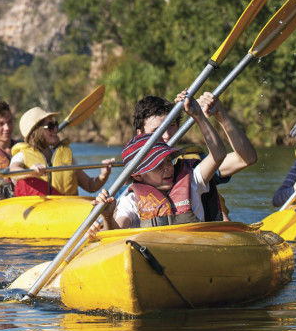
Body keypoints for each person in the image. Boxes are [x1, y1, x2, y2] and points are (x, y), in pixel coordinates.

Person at [96, 93, 227, 229]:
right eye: (158, 165)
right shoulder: (131, 200)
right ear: (138, 175)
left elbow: (218, 155)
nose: (168, 168)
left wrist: (198, 116)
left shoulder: (193, 179)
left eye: (169, 160)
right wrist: (107, 217)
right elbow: (117, 231)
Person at [133, 91, 256, 221]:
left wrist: (220, 114)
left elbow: (245, 159)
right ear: (140, 134)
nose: (167, 135)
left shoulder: (193, 166)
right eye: (157, 130)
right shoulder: (132, 184)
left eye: (172, 126)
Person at [9, 106, 114, 197]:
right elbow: (13, 172)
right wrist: (31, 172)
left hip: (64, 212)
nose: (56, 129)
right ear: (36, 131)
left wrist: (103, 175)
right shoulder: (21, 155)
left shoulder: (66, 156)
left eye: (55, 125)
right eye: (50, 126)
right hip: (36, 213)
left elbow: (90, 186)